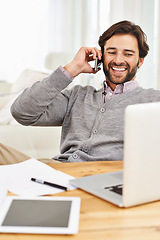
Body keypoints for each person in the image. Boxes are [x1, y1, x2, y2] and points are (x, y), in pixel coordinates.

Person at [10, 20, 160, 163]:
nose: (118, 60)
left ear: (140, 60)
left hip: (101, 177)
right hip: (58, 168)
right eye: (111, 52)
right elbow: (21, 112)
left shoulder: (153, 100)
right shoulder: (77, 96)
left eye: (128, 54)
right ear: (101, 56)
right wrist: (73, 68)